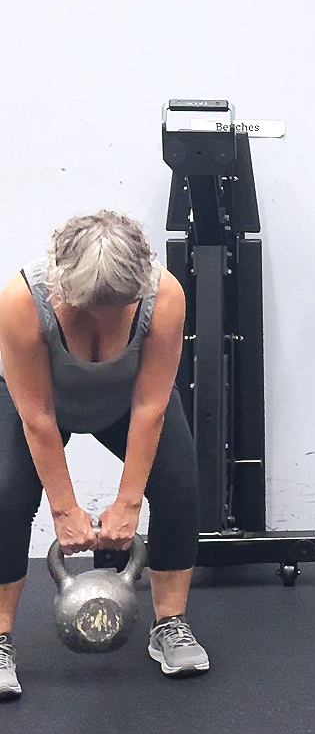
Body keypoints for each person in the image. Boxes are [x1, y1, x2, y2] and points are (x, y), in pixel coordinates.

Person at [0, 211, 209, 696]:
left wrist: (128, 502)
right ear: (60, 284)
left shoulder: (165, 296)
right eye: (89, 307)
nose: (104, 319)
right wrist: (65, 509)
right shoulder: (21, 301)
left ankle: (169, 625)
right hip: (39, 398)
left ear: (139, 287)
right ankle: (0, 637)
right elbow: (38, 416)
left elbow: (150, 403)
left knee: (179, 486)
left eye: (117, 307)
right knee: (6, 496)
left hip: (127, 401)